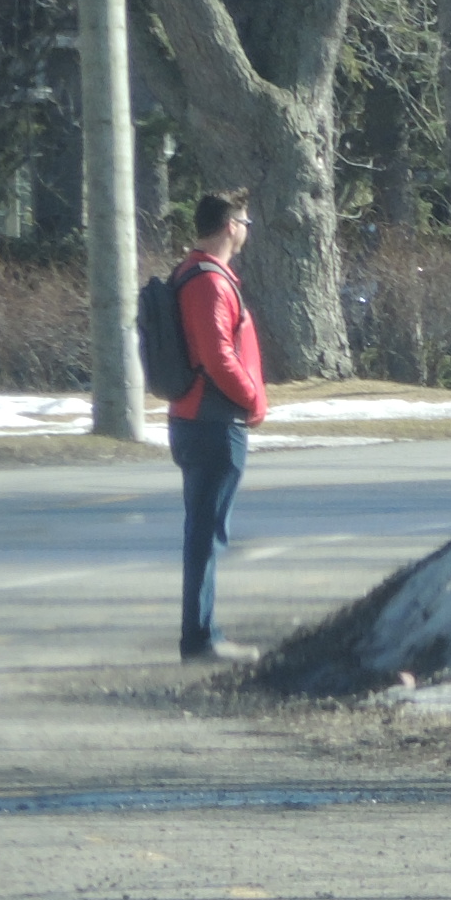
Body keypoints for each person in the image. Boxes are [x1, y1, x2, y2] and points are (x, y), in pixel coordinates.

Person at [165, 191, 268, 661]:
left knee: (204, 531)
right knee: (206, 535)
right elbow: (217, 355)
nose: (246, 230)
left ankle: (202, 632)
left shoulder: (195, 273)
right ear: (230, 226)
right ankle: (199, 638)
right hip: (212, 421)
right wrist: (252, 399)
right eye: (245, 222)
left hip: (197, 418)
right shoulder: (208, 281)